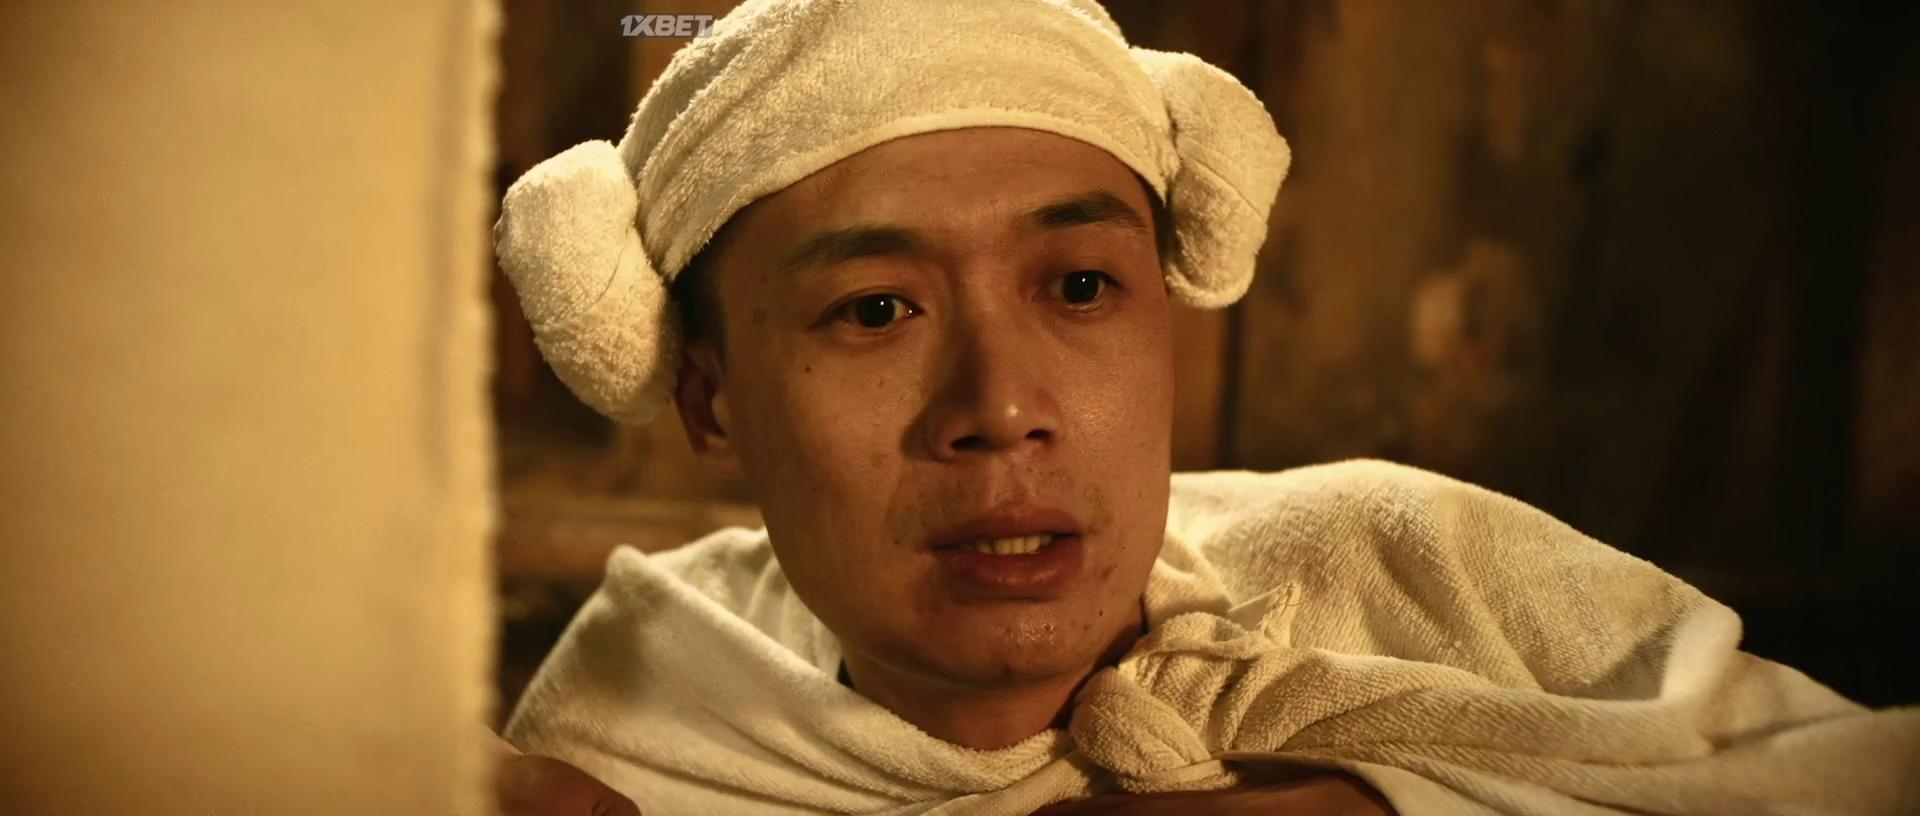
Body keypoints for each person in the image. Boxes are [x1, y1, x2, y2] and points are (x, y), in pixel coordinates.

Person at [488, 1, 1920, 814]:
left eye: (1080, 287)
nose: (1001, 407)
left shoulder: (1404, 568)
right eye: (875, 311)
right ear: (711, 401)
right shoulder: (651, 702)